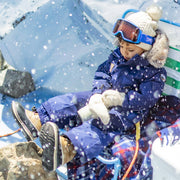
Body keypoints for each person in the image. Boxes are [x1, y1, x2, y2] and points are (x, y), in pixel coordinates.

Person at [11, 5, 169, 172]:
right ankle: (37, 120)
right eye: (122, 46)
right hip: (104, 97)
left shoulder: (152, 72)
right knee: (74, 100)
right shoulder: (118, 56)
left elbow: (148, 99)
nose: (124, 52)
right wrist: (98, 93)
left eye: (130, 50)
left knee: (100, 125)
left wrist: (121, 99)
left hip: (128, 112)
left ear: (145, 48)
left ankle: (65, 148)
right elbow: (103, 73)